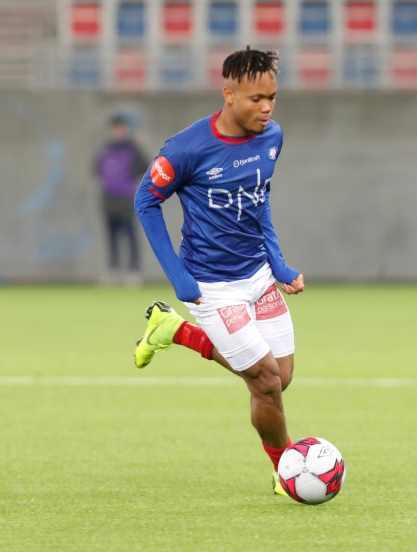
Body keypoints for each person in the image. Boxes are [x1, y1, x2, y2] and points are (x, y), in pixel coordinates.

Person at [133, 47, 304, 495]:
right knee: (265, 382)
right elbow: (145, 201)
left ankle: (174, 331)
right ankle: (285, 469)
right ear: (228, 94)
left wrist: (279, 264)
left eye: (272, 97)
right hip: (211, 286)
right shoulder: (187, 148)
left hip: (259, 276)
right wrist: (179, 278)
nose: (266, 108)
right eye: (256, 99)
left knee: (280, 378)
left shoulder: (272, 137)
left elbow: (260, 200)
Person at [94, 113, 148, 285]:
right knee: (111, 236)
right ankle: (113, 269)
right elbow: (96, 171)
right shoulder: (105, 150)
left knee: (130, 235)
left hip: (126, 200)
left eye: (120, 128)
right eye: (114, 128)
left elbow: (146, 169)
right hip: (109, 200)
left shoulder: (134, 149)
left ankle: (133, 271)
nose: (117, 132)